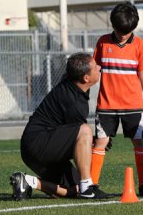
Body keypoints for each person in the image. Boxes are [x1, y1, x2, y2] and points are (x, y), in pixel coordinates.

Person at [10, 52, 106, 200]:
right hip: (38, 143)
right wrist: (96, 140)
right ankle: (87, 187)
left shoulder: (72, 83)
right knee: (85, 130)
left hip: (37, 149)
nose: (99, 67)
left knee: (74, 189)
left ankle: (29, 181)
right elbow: (79, 138)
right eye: (95, 67)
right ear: (86, 78)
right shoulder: (73, 103)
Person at [90, 1, 143, 196]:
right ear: (112, 25)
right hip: (106, 106)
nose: (123, 34)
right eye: (120, 30)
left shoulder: (140, 45)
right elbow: (94, 70)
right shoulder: (103, 42)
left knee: (140, 143)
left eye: (127, 31)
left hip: (133, 106)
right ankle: (91, 185)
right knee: (100, 143)